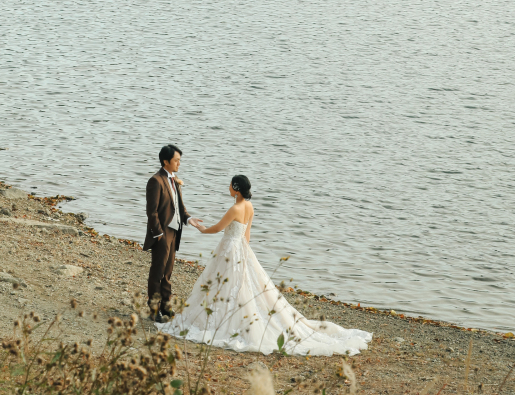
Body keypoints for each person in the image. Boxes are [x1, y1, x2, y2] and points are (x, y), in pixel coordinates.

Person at [160, 174, 372, 356]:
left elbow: (217, 228)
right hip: (241, 247)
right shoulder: (250, 206)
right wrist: (246, 253)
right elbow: (247, 234)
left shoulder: (235, 208)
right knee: (241, 284)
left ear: (235, 189)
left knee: (222, 282)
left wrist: (200, 228)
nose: (228, 188)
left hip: (229, 247)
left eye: (230, 185)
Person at [143, 144, 198, 321]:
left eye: (179, 160)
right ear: (166, 161)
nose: (179, 164)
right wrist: (158, 234)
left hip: (175, 232)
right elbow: (151, 212)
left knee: (168, 273)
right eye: (176, 160)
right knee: (157, 272)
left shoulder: (174, 180)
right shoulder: (156, 181)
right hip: (162, 233)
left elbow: (180, 207)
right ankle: (154, 310)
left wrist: (189, 219)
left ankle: (166, 307)